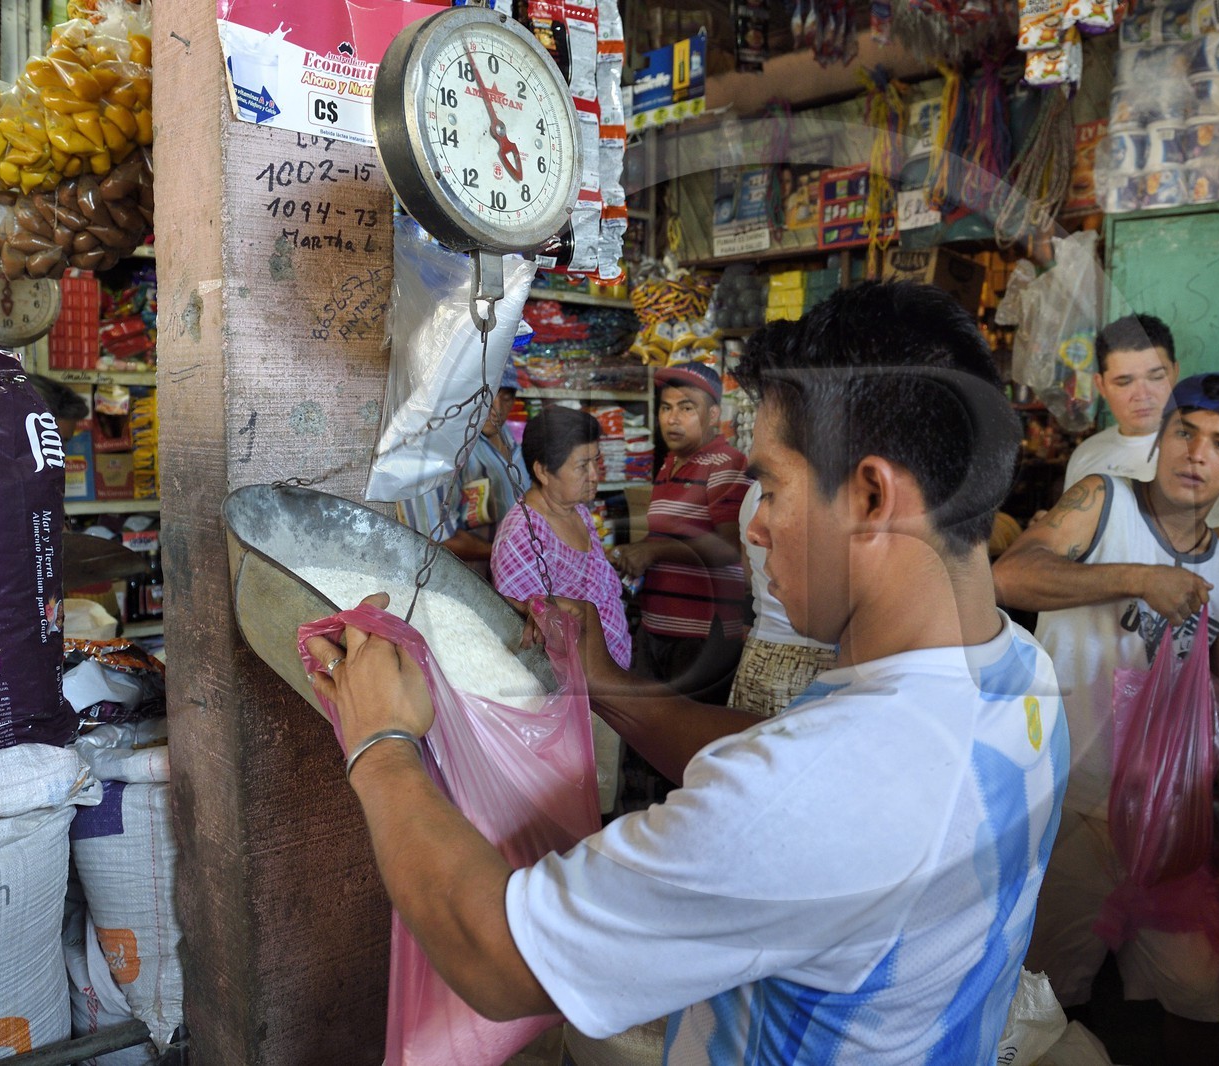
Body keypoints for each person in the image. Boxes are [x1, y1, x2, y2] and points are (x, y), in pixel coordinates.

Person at [305, 280, 1069, 1063]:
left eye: (771, 488)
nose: (759, 527)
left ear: (872, 496)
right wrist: (605, 684)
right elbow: (777, 749)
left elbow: (498, 957)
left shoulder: (812, 797)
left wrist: (382, 746)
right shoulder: (1019, 674)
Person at [993, 372, 1219, 1066]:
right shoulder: (1101, 501)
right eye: (1185, 431)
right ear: (1161, 437)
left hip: (1167, 824)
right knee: (1043, 999)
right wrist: (1138, 578)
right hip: (1065, 805)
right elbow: (1011, 576)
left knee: (1197, 992)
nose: (1197, 454)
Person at [490, 404, 630, 813]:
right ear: (542, 471)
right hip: (566, 707)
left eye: (596, 462)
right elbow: (526, 631)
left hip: (605, 686)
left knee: (602, 802)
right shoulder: (523, 533)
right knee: (577, 810)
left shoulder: (580, 515)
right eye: (582, 465)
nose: (594, 475)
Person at [1062, 315, 1219, 565]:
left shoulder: (1212, 456)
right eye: (1124, 381)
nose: (1142, 395)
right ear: (1101, 385)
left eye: (1156, 377)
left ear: (1175, 371)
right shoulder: (1087, 453)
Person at [610, 360, 749, 704]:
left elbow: (730, 547)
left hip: (701, 637)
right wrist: (634, 553)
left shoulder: (726, 464)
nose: (672, 419)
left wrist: (654, 552)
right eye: (666, 408)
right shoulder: (670, 464)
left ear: (714, 415)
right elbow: (669, 535)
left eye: (687, 408)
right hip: (658, 629)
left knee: (683, 743)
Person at [723, 324, 838, 719]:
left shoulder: (757, 494)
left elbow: (744, 573)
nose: (758, 530)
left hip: (763, 654)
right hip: (798, 663)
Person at [397, 364, 529, 580]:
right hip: (450, 584)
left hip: (505, 580)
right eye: (487, 395)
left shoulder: (507, 437)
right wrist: (505, 552)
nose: (496, 407)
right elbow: (434, 537)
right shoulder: (434, 448)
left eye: (506, 397)